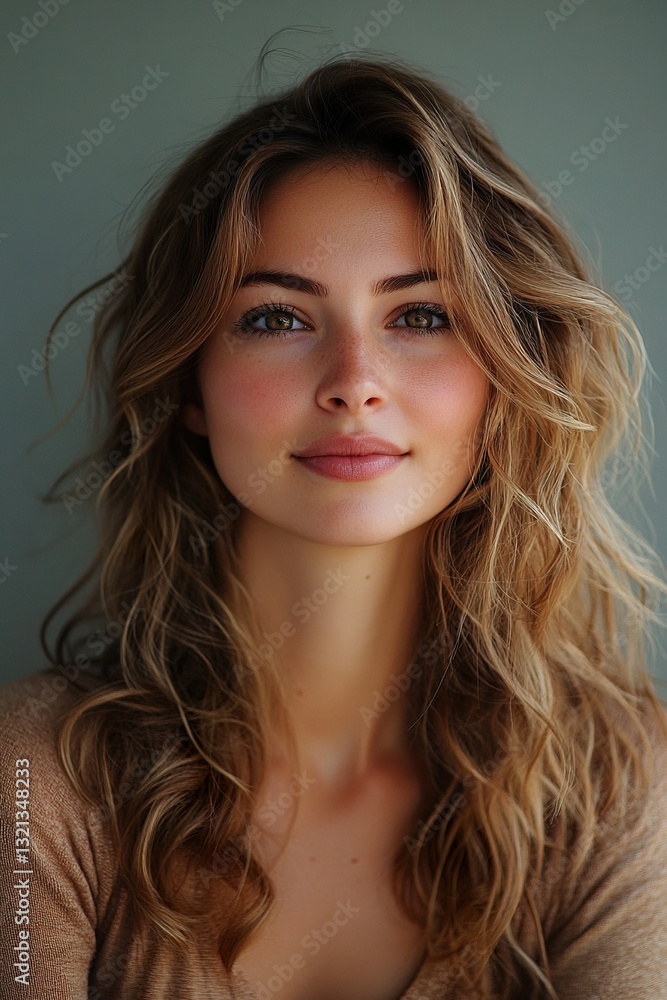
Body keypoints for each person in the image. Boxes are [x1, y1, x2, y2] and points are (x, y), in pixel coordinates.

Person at [1, 54, 666, 1000]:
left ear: (504, 375)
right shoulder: (34, 775)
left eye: (422, 314)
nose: (353, 379)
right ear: (190, 383)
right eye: (275, 318)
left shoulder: (621, 784)